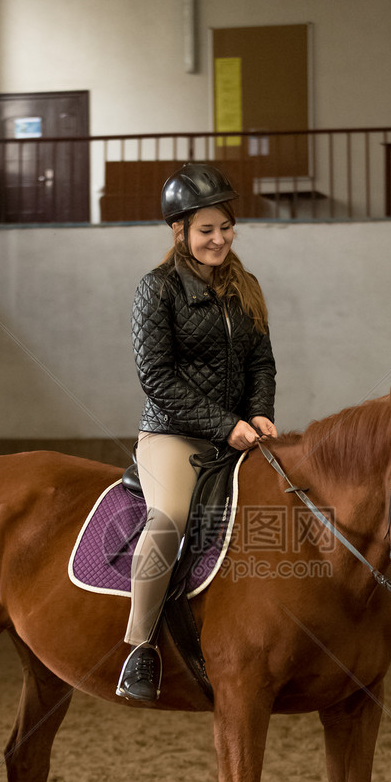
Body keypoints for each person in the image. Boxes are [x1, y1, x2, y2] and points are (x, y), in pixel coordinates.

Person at [116, 163, 277, 703]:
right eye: (206, 230)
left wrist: (257, 413)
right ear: (179, 232)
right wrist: (223, 424)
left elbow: (262, 363)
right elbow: (155, 377)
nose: (219, 239)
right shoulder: (155, 290)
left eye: (226, 228)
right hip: (172, 435)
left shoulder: (246, 287)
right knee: (169, 521)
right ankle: (140, 647)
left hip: (238, 432)